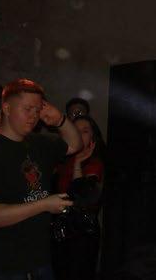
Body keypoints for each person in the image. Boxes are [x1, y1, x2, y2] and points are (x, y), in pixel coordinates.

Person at [0, 79, 83, 280]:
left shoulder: (39, 143)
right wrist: (44, 204)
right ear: (6, 108)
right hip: (2, 265)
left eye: (37, 110)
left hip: (39, 260)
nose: (33, 116)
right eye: (28, 109)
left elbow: (75, 144)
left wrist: (60, 121)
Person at [53, 115, 105, 280]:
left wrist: (77, 164)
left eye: (85, 131)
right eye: (75, 130)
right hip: (58, 228)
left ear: (93, 137)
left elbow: (82, 198)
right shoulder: (60, 161)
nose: (79, 135)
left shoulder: (95, 163)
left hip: (82, 232)